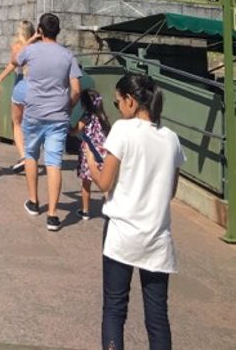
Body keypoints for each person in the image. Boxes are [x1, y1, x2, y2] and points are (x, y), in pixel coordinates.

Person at [82, 73, 185, 350]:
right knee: (157, 317)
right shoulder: (171, 139)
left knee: (115, 308)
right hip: (157, 237)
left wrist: (91, 160)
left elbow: (104, 182)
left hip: (122, 233)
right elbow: (170, 191)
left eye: (118, 103)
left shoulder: (122, 131)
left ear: (130, 100)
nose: (118, 108)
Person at [17, 12, 81, 231]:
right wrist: (68, 106)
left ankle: (34, 202)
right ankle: (53, 216)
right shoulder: (68, 56)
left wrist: (32, 39)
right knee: (54, 162)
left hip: (34, 113)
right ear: (59, 31)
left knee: (31, 155)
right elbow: (76, 89)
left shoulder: (31, 50)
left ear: (40, 30)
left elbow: (14, 59)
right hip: (58, 116)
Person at [0, 18, 35, 171]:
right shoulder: (38, 45)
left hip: (22, 84)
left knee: (16, 123)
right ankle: (31, 155)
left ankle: (24, 156)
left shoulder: (18, 46)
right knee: (30, 123)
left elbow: (13, 62)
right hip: (36, 86)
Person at [76, 88, 111, 219]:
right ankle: (110, 209)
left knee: (86, 182)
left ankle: (85, 210)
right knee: (104, 183)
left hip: (89, 153)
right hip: (103, 153)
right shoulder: (103, 117)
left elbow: (76, 130)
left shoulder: (86, 117)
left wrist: (69, 129)